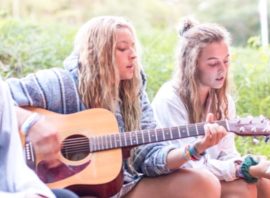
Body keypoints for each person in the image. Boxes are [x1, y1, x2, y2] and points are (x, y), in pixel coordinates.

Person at [6, 16, 228, 198]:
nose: (133, 54)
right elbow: (3, 99)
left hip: (120, 186)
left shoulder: (132, 92)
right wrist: (30, 123)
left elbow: (148, 154)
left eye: (133, 47)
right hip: (60, 187)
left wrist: (194, 148)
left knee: (203, 183)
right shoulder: (59, 84)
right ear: (98, 54)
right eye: (122, 48)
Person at [151, 18, 270, 198]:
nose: (222, 70)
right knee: (243, 190)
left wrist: (250, 166)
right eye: (213, 63)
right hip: (175, 179)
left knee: (267, 182)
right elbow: (187, 165)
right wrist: (243, 168)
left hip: (207, 174)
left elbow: (227, 154)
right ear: (192, 65)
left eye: (226, 61)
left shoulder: (223, 101)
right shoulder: (170, 99)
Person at [0, 79, 78, 198]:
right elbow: (13, 92)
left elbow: (12, 166)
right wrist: (26, 119)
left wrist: (38, 193)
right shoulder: (60, 82)